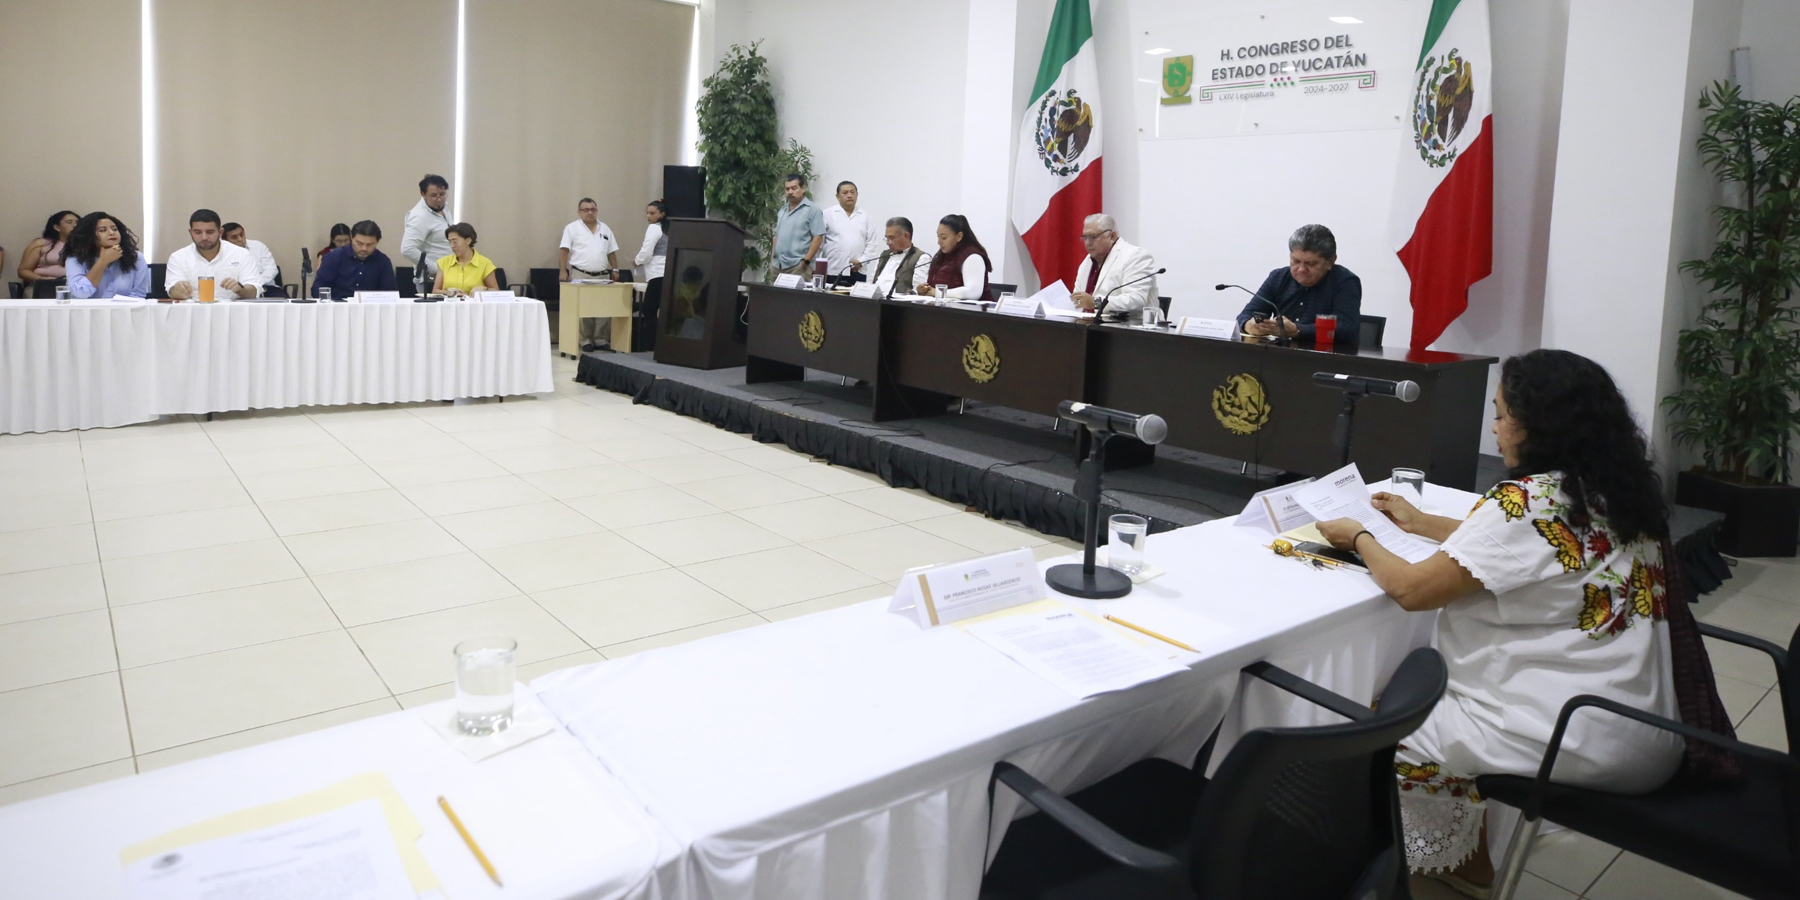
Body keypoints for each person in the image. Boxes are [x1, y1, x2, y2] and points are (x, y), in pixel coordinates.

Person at [1313, 349, 1682, 895]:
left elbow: (1412, 591)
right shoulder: (1611, 489)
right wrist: (1423, 522)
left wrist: (1359, 537)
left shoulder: (1527, 500)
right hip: (1645, 726)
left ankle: (1463, 864)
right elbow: (1527, 545)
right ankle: (1466, 850)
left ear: (1538, 426)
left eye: (1503, 415)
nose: (1495, 428)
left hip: (1577, 732)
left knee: (1383, 722)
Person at [1233, 223, 1361, 343]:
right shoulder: (1278, 278)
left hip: (1326, 356)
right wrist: (1248, 325)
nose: (1301, 269)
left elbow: (1346, 328)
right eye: (1296, 261)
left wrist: (1297, 330)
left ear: (1331, 262)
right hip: (1279, 354)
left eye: (1311, 264)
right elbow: (1245, 315)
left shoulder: (1344, 282)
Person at [560, 198, 621, 349]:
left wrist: (615, 269)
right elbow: (564, 250)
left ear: (597, 211)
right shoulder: (572, 228)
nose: (590, 212)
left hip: (603, 275)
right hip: (581, 274)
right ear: (579, 212)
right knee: (584, 308)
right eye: (586, 210)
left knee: (603, 308)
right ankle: (585, 340)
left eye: (593, 209)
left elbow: (611, 252)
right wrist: (562, 270)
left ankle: (601, 340)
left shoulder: (605, 228)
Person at [1071, 213, 1159, 315]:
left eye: (1093, 237)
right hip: (1089, 322)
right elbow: (1078, 300)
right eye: (1085, 237)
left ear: (1112, 236)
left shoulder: (1135, 256)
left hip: (1131, 324)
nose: (1088, 243)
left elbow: (1136, 300)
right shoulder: (1087, 262)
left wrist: (1095, 302)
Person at [164, 209, 260, 301]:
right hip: (193, 310)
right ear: (191, 232)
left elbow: (253, 292)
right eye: (198, 232)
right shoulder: (178, 257)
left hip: (232, 310)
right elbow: (172, 291)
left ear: (220, 232)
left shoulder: (241, 254)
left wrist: (240, 290)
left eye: (210, 232)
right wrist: (178, 290)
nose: (204, 237)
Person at [64, 212, 150, 299]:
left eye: (114, 229)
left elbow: (138, 295)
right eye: (102, 230)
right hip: (87, 308)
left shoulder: (135, 257)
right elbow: (80, 294)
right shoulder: (75, 259)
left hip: (123, 307)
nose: (111, 233)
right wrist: (102, 261)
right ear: (89, 235)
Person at [311, 220, 397, 298]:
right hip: (338, 306)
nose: (364, 248)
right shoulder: (333, 257)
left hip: (370, 307)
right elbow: (318, 289)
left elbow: (390, 294)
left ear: (377, 242)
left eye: (370, 245)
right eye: (359, 243)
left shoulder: (383, 261)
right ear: (352, 238)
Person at [917, 214, 992, 301]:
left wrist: (937, 292)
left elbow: (973, 292)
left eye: (944, 237)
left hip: (975, 309)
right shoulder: (941, 256)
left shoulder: (972, 256)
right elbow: (934, 288)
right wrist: (925, 290)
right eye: (938, 236)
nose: (939, 242)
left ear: (959, 236)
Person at [821, 180, 879, 285]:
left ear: (857, 195)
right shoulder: (827, 214)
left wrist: (861, 261)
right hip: (832, 269)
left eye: (852, 192)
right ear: (837, 196)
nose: (849, 195)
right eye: (845, 193)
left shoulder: (865, 216)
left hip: (858, 270)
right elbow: (819, 242)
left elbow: (872, 243)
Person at [772, 173, 825, 278]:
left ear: (803, 188)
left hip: (798, 266)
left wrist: (805, 262)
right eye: (787, 189)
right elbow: (776, 236)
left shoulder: (813, 210)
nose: (790, 192)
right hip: (777, 265)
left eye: (794, 188)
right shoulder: (782, 210)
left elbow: (818, 238)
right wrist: (772, 260)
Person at [866, 217, 931, 298]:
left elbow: (919, 290)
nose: (888, 242)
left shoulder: (921, 258)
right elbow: (871, 282)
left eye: (891, 238)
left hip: (898, 303)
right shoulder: (884, 255)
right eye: (886, 238)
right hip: (875, 301)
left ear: (906, 236)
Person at [402, 174, 451, 280]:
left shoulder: (443, 207)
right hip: (431, 278)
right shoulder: (419, 217)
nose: (439, 199)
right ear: (423, 194)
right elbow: (407, 249)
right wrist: (436, 269)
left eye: (442, 194)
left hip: (448, 274)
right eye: (434, 195)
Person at [635, 200, 669, 351]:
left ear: (662, 214)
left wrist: (637, 261)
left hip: (657, 274)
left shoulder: (654, 228)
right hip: (669, 273)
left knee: (649, 310)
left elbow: (646, 252)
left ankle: (652, 345)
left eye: (653, 213)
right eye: (647, 213)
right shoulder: (668, 228)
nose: (649, 216)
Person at [19, 210, 77, 298]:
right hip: (43, 286)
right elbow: (23, 271)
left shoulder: (85, 246)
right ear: (57, 227)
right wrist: (41, 279)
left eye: (77, 222)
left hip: (74, 287)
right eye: (69, 222)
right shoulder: (40, 244)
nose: (75, 225)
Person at [434, 223, 498, 297]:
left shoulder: (485, 263)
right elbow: (435, 291)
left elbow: (496, 291)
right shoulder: (444, 262)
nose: (452, 246)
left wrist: (485, 289)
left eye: (455, 241)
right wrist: (449, 292)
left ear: (468, 241)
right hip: (450, 303)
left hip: (474, 304)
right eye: (450, 242)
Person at [221, 222, 280, 294]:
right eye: (234, 237)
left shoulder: (258, 246)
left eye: (241, 234)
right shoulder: (222, 254)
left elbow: (271, 269)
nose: (240, 239)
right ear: (225, 240)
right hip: (237, 291)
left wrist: (255, 285)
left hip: (266, 287)